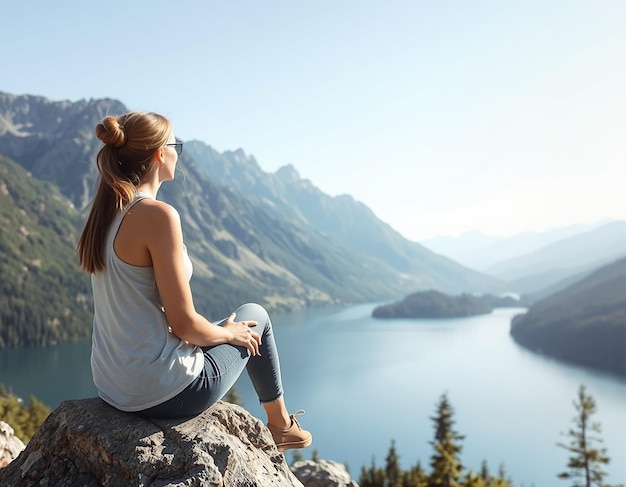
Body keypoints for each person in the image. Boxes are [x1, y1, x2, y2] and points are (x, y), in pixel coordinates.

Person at [77, 111, 311, 452]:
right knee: (255, 316)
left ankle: (279, 423)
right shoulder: (158, 216)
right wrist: (229, 334)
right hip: (163, 391)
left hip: (114, 387)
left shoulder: (106, 213)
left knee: (226, 327)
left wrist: (217, 332)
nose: (178, 153)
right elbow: (184, 325)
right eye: (177, 145)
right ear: (160, 152)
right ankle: (280, 425)